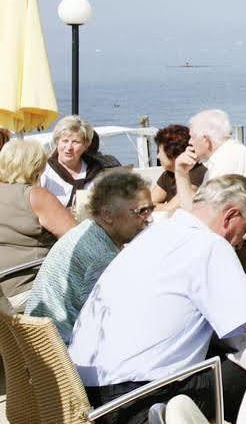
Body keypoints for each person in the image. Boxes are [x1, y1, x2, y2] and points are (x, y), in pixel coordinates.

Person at [69, 175, 246, 424]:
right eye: (244, 231)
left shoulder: (155, 234)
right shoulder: (208, 244)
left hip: (85, 394)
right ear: (231, 215)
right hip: (139, 400)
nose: (241, 243)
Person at [25, 171, 152, 343]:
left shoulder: (86, 229)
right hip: (67, 354)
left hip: (45, 344)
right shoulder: (102, 257)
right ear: (107, 215)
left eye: (150, 210)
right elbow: (110, 324)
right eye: (141, 211)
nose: (149, 219)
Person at [173, 110, 246, 272]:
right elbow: (196, 212)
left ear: (206, 140)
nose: (189, 142)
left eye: (192, 137)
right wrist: (181, 173)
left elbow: (205, 219)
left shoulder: (228, 161)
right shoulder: (227, 157)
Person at [0, 139, 75, 304]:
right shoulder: (35, 196)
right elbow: (79, 240)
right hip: (27, 290)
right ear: (37, 166)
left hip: (4, 290)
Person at [41, 115, 107, 208]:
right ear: (57, 142)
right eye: (65, 141)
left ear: (85, 145)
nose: (69, 148)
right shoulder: (44, 171)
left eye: (75, 142)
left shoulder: (95, 171)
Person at [149, 124, 207, 210]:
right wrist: (164, 207)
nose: (158, 156)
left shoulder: (198, 173)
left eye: (160, 151)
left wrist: (161, 207)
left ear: (173, 153)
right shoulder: (168, 174)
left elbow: (176, 206)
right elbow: (146, 204)